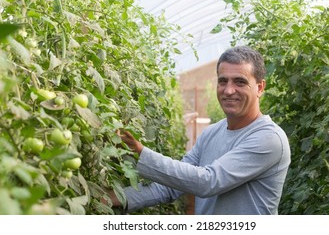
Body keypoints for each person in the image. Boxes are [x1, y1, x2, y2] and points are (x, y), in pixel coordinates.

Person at [106, 46, 291, 215]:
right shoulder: (211, 133)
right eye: (223, 81)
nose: (228, 90)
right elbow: (170, 187)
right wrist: (109, 198)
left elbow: (208, 182)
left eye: (240, 82)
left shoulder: (269, 138)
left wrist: (141, 153)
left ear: (260, 88)